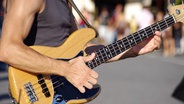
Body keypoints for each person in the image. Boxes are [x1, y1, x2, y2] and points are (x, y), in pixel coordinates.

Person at [0, 0, 161, 96]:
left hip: (63, 93)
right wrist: (65, 69)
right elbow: (7, 49)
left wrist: (131, 49)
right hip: (38, 93)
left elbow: (81, 51)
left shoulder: (66, 1)